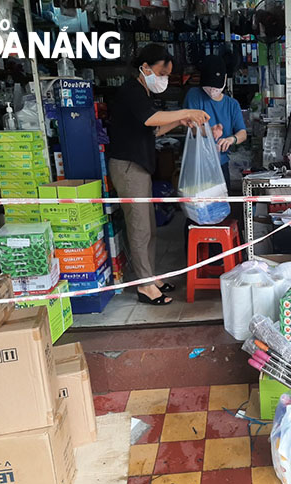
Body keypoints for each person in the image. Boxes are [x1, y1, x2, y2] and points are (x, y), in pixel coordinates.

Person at [107, 43, 210, 306]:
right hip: (128, 168)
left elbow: (154, 130)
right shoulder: (131, 91)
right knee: (140, 228)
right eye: (162, 73)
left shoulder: (143, 93)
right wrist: (187, 111)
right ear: (145, 67)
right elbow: (149, 119)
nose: (164, 79)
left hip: (140, 167)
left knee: (149, 227)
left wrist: (179, 121)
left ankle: (150, 277)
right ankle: (145, 286)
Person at [183, 55, 247, 190]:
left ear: (224, 79)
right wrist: (208, 131)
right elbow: (190, 127)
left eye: (215, 86)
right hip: (197, 165)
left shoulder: (232, 104)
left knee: (221, 206)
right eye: (209, 86)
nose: (212, 90)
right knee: (199, 207)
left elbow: (242, 133)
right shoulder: (194, 95)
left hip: (221, 164)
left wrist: (231, 139)